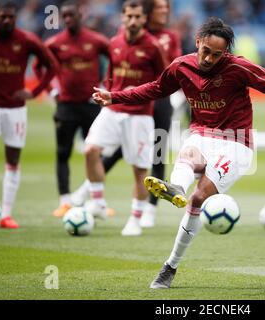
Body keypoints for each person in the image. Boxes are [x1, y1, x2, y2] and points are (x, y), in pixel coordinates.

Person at [92, 17, 265, 288]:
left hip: (236, 143)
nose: (209, 58)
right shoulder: (181, 66)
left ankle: (170, 266)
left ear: (226, 53)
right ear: (197, 42)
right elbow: (155, 89)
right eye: (205, 51)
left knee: (197, 199)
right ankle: (175, 187)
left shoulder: (238, 67)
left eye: (216, 54)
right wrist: (115, 97)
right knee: (188, 155)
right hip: (202, 133)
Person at [72, 0, 181, 228]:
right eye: (160, 8)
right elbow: (111, 74)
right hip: (119, 104)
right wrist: (109, 92)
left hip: (156, 103)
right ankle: (94, 196)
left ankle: (149, 209)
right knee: (106, 149)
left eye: (166, 9)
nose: (164, 12)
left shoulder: (167, 39)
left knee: (155, 155)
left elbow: (169, 76)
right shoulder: (117, 40)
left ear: (143, 17)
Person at [0, 1, 56, 228]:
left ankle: (6, 215)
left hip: (16, 110)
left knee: (12, 159)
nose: (6, 21)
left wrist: (34, 92)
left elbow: (52, 66)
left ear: (15, 17)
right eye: (2, 17)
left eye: (10, 17)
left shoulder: (27, 40)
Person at [33, 1, 111, 218]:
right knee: (62, 153)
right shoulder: (56, 43)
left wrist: (108, 85)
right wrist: (50, 91)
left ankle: (98, 201)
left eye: (71, 16)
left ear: (80, 16)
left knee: (96, 154)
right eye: (64, 16)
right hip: (65, 105)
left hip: (90, 105)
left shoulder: (95, 40)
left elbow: (115, 57)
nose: (67, 19)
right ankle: (65, 201)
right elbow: (38, 65)